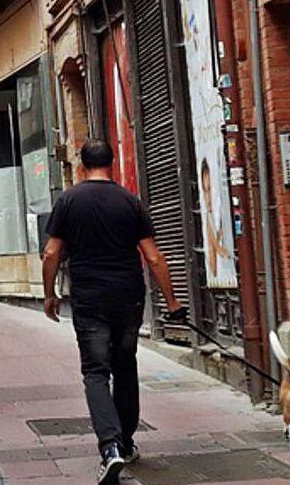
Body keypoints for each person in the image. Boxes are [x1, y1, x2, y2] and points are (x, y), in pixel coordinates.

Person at [42, 139, 186, 484]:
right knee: (125, 365)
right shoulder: (130, 201)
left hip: (90, 299)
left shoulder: (68, 200)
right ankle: (127, 440)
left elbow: (51, 253)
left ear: (81, 165)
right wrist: (172, 302)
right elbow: (152, 256)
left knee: (95, 372)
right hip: (128, 298)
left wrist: (50, 295)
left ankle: (110, 448)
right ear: (112, 162)